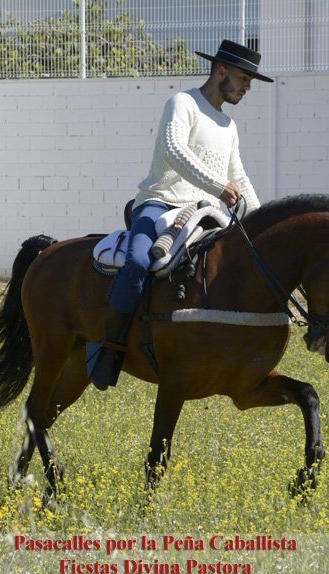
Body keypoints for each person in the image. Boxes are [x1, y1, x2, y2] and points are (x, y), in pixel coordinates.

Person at [90, 39, 274, 390]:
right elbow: (174, 151)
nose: (248, 87)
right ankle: (108, 349)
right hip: (159, 204)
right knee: (138, 262)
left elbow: (239, 177)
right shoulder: (182, 103)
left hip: (204, 214)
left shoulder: (228, 126)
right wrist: (218, 186)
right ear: (221, 71)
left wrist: (263, 224)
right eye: (244, 78)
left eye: (250, 80)